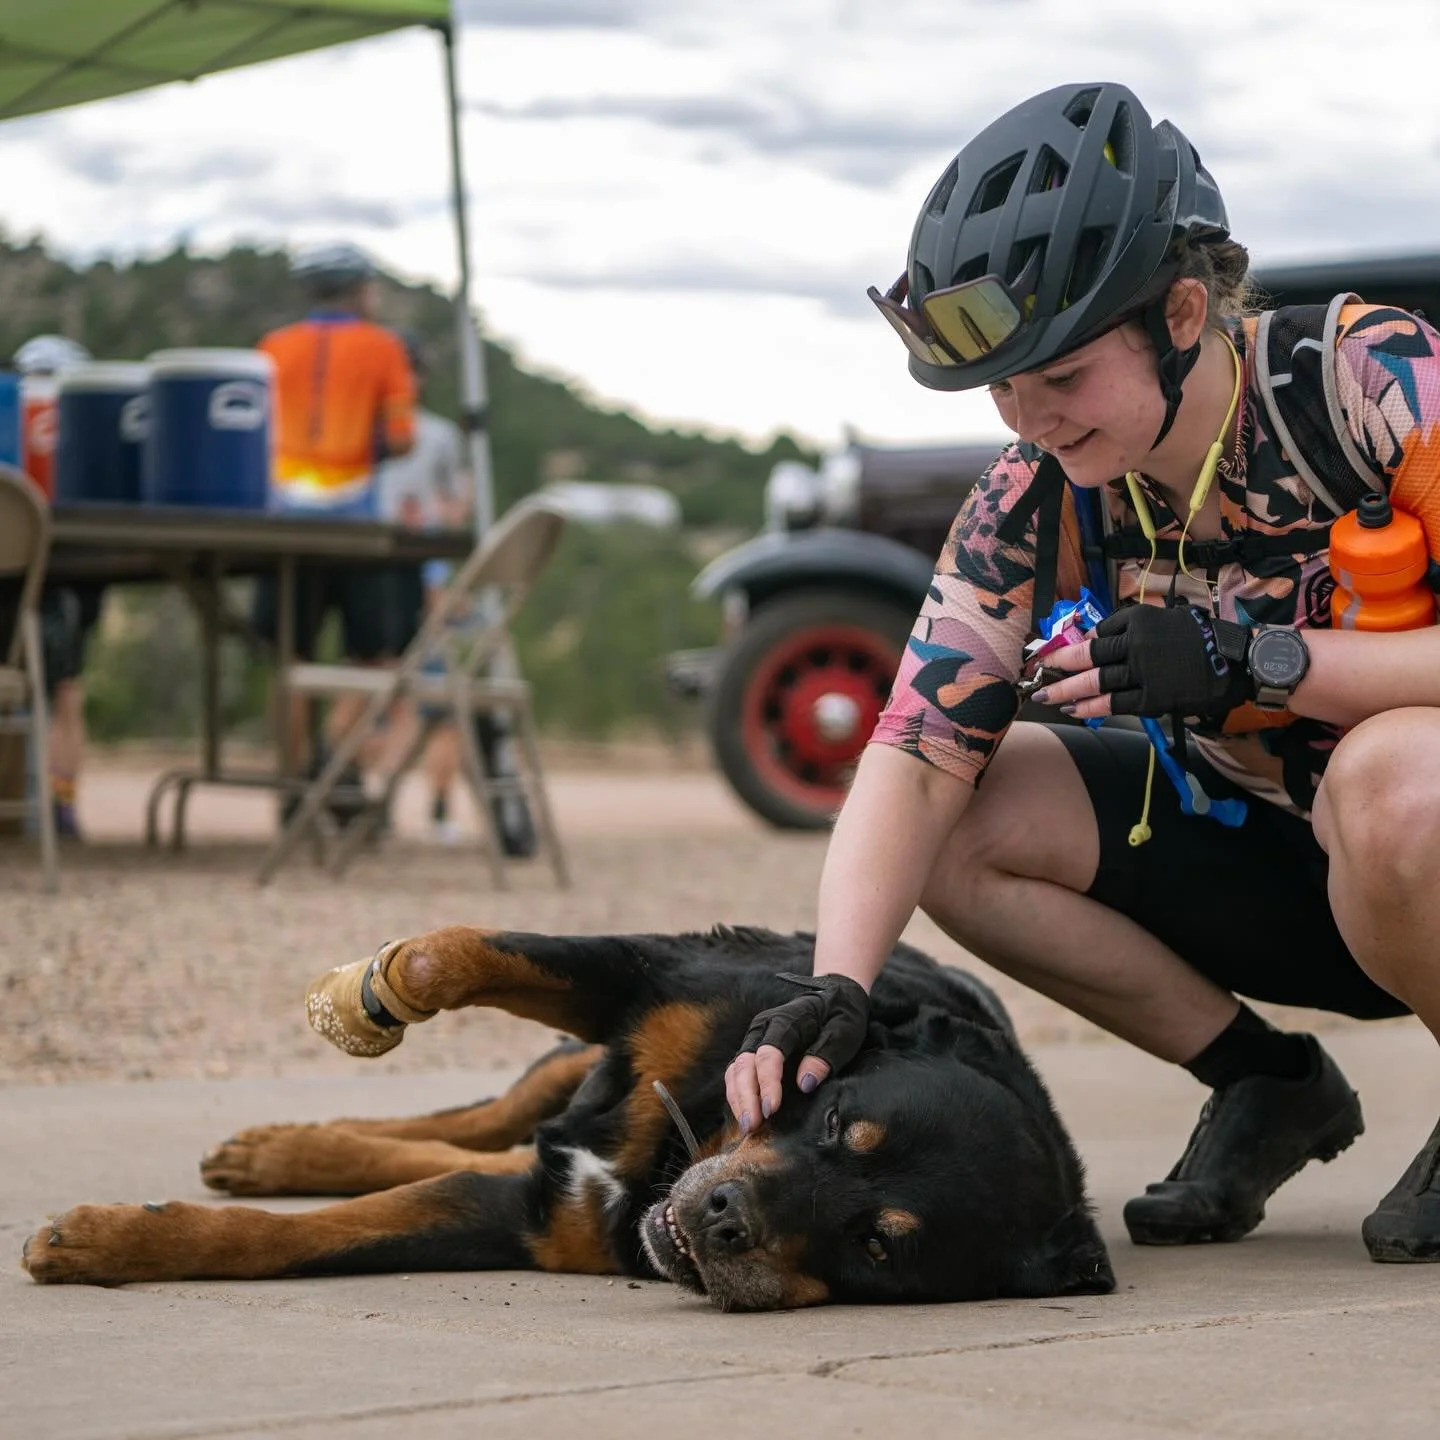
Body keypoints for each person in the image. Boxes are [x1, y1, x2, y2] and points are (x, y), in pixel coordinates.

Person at [725, 81, 1440, 1264]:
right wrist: (836, 985)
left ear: (1181, 312)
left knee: (1390, 782)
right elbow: (913, 747)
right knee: (967, 818)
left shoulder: (1369, 381)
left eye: (1059, 379)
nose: (1031, 417)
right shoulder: (1037, 491)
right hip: (1284, 865)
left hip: (1412, 837)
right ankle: (1267, 1082)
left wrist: (1262, 658)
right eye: (1003, 387)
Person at [251, 242, 419, 801]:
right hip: (353, 522)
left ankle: (292, 777)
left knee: (289, 655)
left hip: (281, 522)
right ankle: (332, 750)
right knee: (373, 653)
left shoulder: (273, 347)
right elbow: (401, 437)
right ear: (360, 290)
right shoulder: (383, 347)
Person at [373, 329, 471, 841]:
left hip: (428, 576)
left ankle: (438, 806)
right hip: (377, 574)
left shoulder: (437, 437)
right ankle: (379, 804)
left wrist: (434, 528)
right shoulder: (367, 433)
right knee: (386, 699)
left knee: (440, 704)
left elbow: (459, 502)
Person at [13, 334, 98, 839]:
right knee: (67, 690)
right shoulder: (82, 422)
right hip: (74, 565)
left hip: (16, 570)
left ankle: (25, 795)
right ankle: (59, 805)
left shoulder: (14, 416)